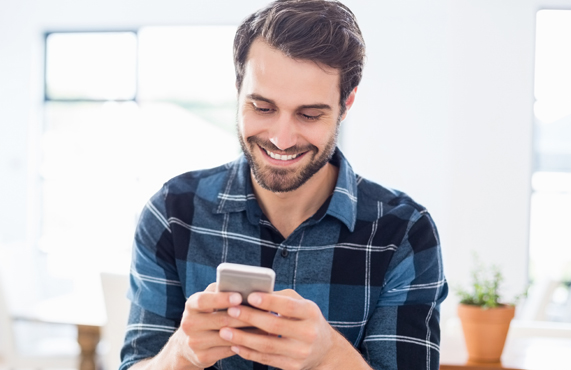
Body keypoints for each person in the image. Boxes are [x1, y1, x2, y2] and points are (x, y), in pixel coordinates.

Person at [120, 0, 448, 369]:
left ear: (346, 104)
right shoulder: (172, 213)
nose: (281, 138)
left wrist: (329, 355)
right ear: (238, 89)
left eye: (309, 115)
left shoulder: (404, 233)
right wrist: (180, 352)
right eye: (262, 108)